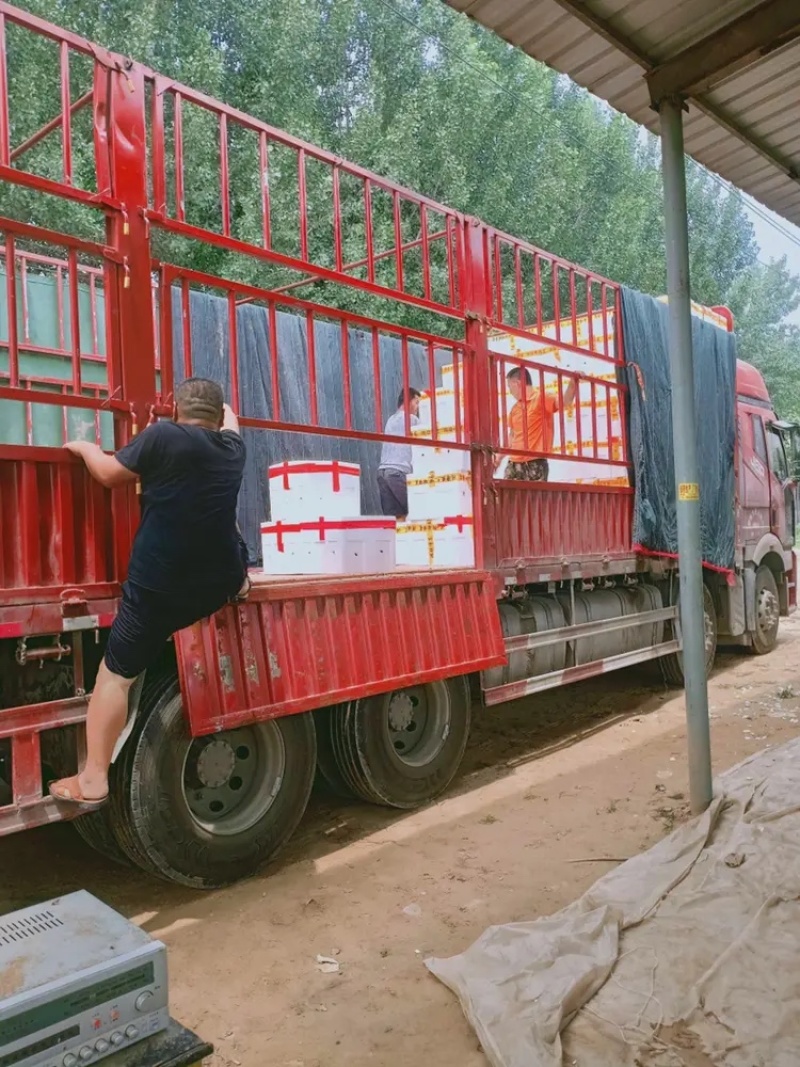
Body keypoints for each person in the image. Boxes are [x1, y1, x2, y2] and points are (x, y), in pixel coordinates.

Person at [49, 378, 249, 809]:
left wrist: (84, 447)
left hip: (159, 587)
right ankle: (243, 582)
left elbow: (107, 475)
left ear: (175, 408)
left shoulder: (162, 436)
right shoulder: (233, 450)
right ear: (217, 417)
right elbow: (233, 420)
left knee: (115, 676)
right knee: (229, 526)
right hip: (218, 583)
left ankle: (94, 778)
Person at [498, 366, 577, 481]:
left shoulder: (541, 398)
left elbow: (564, 402)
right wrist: (499, 457)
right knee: (505, 498)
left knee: (533, 498)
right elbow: (512, 436)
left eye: (510, 387)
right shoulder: (515, 409)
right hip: (513, 463)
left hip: (534, 462)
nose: (510, 392)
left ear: (517, 383)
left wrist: (573, 383)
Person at [377, 388, 421, 520]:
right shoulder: (412, 420)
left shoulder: (390, 420)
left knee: (397, 520)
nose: (418, 407)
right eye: (417, 402)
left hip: (383, 473)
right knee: (420, 513)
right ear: (408, 401)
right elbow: (428, 435)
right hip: (398, 473)